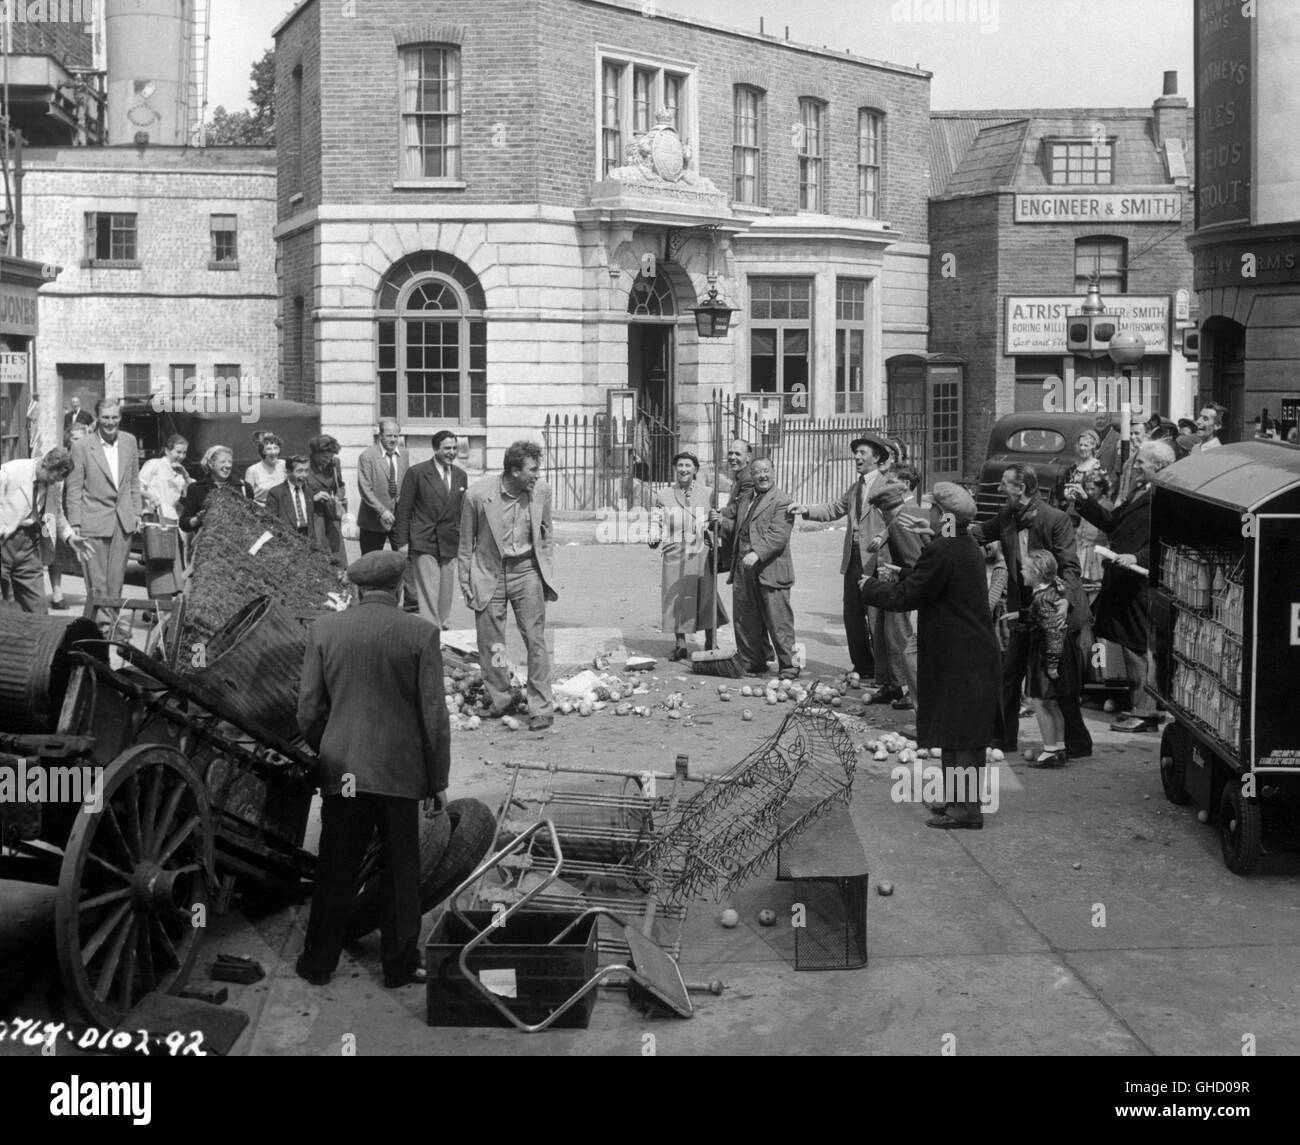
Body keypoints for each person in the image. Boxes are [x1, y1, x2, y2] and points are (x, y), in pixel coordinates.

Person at [295, 550, 450, 988]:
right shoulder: (421, 634)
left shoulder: (325, 629)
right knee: (402, 871)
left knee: (335, 866)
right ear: (400, 589)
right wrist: (436, 780)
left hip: (343, 771)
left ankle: (317, 963)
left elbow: (308, 710)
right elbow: (434, 717)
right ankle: (400, 967)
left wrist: (327, 748)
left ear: (356, 590)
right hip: (400, 775)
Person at [860, 483, 1001, 829]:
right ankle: (956, 801)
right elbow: (935, 577)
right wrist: (904, 570)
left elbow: (909, 596)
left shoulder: (944, 549)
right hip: (967, 655)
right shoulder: (961, 543)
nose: (929, 515)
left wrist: (868, 587)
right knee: (954, 733)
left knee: (964, 738)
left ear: (942, 514)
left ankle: (967, 811)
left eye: (933, 510)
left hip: (963, 659)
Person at [969, 462, 1093, 759]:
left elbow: (1071, 567)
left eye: (1004, 484)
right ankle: (1002, 738)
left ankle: (1075, 744)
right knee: (1009, 674)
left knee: (1057, 683)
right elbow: (975, 533)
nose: (999, 488)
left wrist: (1067, 601)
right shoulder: (1007, 516)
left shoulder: (1056, 519)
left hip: (1053, 610)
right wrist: (944, 522)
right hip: (1022, 612)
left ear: (1020, 488)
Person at [1066, 439, 1174, 734]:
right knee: (1125, 644)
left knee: (1138, 646)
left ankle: (1146, 712)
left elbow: (1165, 542)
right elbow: (1114, 523)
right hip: (1121, 579)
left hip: (1139, 582)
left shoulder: (1165, 498)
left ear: (1159, 467)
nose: (1135, 466)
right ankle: (1133, 702)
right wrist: (1084, 501)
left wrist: (1136, 557)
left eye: (1141, 462)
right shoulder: (1140, 491)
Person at [458, 440, 558, 731]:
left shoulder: (541, 491)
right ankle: (502, 699)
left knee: (535, 639)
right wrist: (466, 581)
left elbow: (547, 534)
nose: (537, 475)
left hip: (527, 570)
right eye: (532, 469)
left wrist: (545, 570)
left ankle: (541, 706)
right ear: (514, 471)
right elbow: (466, 544)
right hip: (490, 573)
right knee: (493, 643)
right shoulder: (477, 495)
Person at [787, 433, 893, 685]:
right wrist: (806, 510)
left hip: (876, 560)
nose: (856, 457)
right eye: (855, 453)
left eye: (862, 453)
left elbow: (896, 520)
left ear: (876, 457)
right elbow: (835, 508)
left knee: (876, 616)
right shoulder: (856, 487)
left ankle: (884, 672)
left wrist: (883, 538)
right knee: (852, 614)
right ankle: (863, 666)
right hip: (853, 558)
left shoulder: (887, 485)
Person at [716, 457, 799, 679]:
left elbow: (778, 535)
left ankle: (789, 664)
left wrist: (757, 553)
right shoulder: (747, 498)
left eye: (766, 471)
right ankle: (753, 661)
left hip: (769, 567)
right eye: (757, 472)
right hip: (744, 567)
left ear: (773, 472)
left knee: (778, 619)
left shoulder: (781, 501)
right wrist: (721, 522)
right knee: (745, 617)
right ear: (751, 475)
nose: (762, 476)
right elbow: (739, 528)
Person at [65, 399, 143, 634]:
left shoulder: (129, 442)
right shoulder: (82, 446)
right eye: (106, 417)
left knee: (116, 580)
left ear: (120, 418)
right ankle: (101, 627)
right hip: (92, 521)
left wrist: (137, 511)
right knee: (97, 583)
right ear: (97, 418)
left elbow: (134, 481)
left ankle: (113, 622)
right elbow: (74, 488)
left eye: (114, 417)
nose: (110, 422)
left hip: (123, 521)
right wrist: (75, 523)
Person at [650, 450, 727, 661]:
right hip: (674, 550)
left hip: (700, 550)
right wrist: (654, 536)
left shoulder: (708, 492)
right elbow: (656, 520)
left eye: (688, 466)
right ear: (675, 469)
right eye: (680, 465)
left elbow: (716, 521)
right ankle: (681, 643)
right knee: (677, 599)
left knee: (706, 595)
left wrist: (715, 519)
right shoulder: (663, 495)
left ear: (695, 470)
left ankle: (711, 641)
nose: (684, 469)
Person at [864, 463, 928, 709]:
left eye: (890, 482)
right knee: (884, 633)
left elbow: (918, 563)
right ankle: (892, 684)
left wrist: (901, 579)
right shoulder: (899, 515)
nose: (885, 485)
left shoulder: (906, 516)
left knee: (901, 639)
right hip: (891, 583)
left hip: (902, 587)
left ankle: (910, 691)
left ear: (905, 486)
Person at [0, 449, 94, 614]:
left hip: (30, 545)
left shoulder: (54, 482)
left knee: (37, 606)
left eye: (58, 480)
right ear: (45, 464)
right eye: (53, 477)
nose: (54, 483)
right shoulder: (11, 471)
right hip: (4, 542)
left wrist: (70, 537)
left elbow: (56, 513)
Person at [394, 429, 467, 627]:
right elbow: (404, 510)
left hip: (449, 540)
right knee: (429, 589)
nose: (452, 452)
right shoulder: (417, 473)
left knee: (446, 589)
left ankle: (443, 626)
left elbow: (460, 512)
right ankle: (430, 629)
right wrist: (402, 542)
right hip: (424, 538)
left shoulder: (461, 475)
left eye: (454, 448)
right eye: (447, 448)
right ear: (435, 449)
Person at [1020, 550, 1084, 768]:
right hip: (1059, 651)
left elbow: (1053, 632)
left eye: (1024, 568)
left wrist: (1052, 664)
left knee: (1041, 702)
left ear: (1036, 573)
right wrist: (1020, 615)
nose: (1021, 571)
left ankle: (1049, 751)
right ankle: (1059, 747)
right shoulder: (1053, 589)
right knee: (1054, 703)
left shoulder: (1041, 598)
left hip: (1048, 654)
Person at [357, 419, 419, 611]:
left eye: (396, 435)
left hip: (398, 519)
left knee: (404, 559)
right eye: (389, 435)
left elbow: (407, 484)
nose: (393, 439)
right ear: (380, 435)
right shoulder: (367, 456)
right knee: (370, 562)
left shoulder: (404, 454)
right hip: (373, 520)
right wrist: (381, 510)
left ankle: (410, 602)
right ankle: (367, 602)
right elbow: (364, 488)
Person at [138, 433, 191, 598]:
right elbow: (138, 485)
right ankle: (158, 607)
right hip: (155, 517)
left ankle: (162, 608)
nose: (181, 456)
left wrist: (186, 475)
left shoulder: (179, 472)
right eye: (178, 452)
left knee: (172, 563)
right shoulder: (155, 464)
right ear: (167, 450)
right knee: (158, 562)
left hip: (171, 520)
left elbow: (189, 493)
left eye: (184, 453)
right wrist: (150, 497)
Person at [47, 422, 91, 609]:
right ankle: (57, 593)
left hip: (82, 509)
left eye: (83, 438)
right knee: (54, 551)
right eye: (75, 438)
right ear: (68, 441)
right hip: (58, 507)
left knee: (85, 550)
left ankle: (93, 593)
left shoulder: (90, 458)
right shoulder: (62, 461)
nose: (79, 442)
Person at [179, 445, 253, 536]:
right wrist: (199, 518)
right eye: (223, 462)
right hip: (209, 545)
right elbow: (184, 524)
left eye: (230, 461)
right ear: (211, 464)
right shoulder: (196, 489)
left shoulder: (244, 487)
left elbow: (252, 521)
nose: (228, 465)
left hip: (238, 544)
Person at [304, 435, 349, 565]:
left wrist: (337, 497)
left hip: (331, 511)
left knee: (337, 549)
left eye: (330, 457)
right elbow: (297, 491)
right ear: (315, 453)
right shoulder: (304, 464)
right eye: (325, 457)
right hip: (314, 513)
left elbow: (340, 485)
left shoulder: (335, 463)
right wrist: (314, 497)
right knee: (319, 548)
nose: (328, 460)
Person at [265, 455, 316, 543]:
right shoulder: (276, 493)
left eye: (306, 471)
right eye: (299, 471)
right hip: (287, 542)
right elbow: (270, 522)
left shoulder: (309, 492)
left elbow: (311, 523)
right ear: (288, 472)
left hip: (308, 541)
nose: (303, 475)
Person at [1074, 469, 1111, 583]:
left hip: (1097, 549)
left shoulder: (1106, 505)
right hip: (1084, 546)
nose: (1089, 492)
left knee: (1096, 580)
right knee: (1082, 578)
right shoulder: (1086, 502)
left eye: (1093, 489)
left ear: (1101, 488)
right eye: (1087, 489)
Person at [243, 433, 286, 507]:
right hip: (262, 510)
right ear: (263, 451)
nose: (273, 452)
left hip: (283, 508)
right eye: (269, 449)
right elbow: (247, 499)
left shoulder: (284, 465)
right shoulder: (252, 470)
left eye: (276, 448)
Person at [1091, 410, 1121, 490]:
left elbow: (1118, 469)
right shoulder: (1094, 438)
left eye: (1102, 418)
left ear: (1109, 420)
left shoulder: (1118, 439)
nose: (1099, 421)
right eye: (1097, 419)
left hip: (1107, 491)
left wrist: (1109, 488)